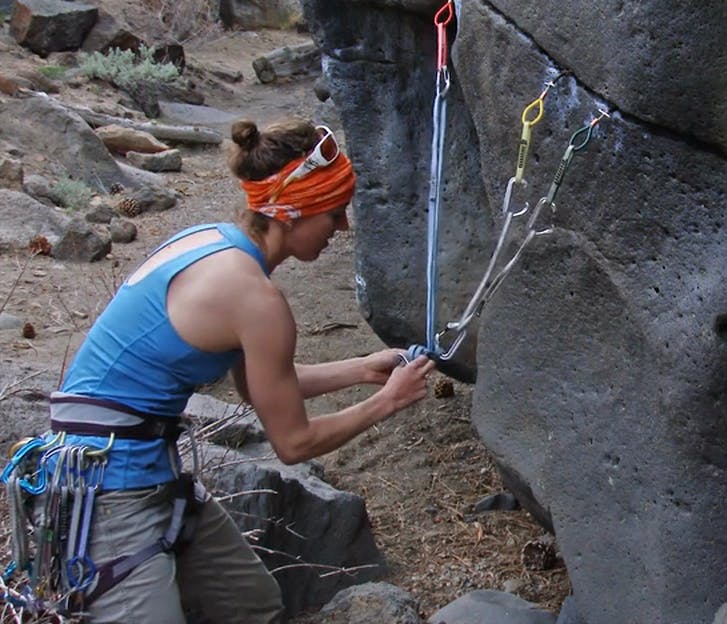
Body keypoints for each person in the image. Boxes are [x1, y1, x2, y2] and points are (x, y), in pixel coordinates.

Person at [39, 117, 435, 622]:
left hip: (133, 464)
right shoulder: (255, 298)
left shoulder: (214, 243)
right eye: (334, 213)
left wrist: (361, 369)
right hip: (109, 489)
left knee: (250, 605)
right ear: (292, 211)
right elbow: (294, 444)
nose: (342, 228)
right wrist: (389, 401)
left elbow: (259, 389)